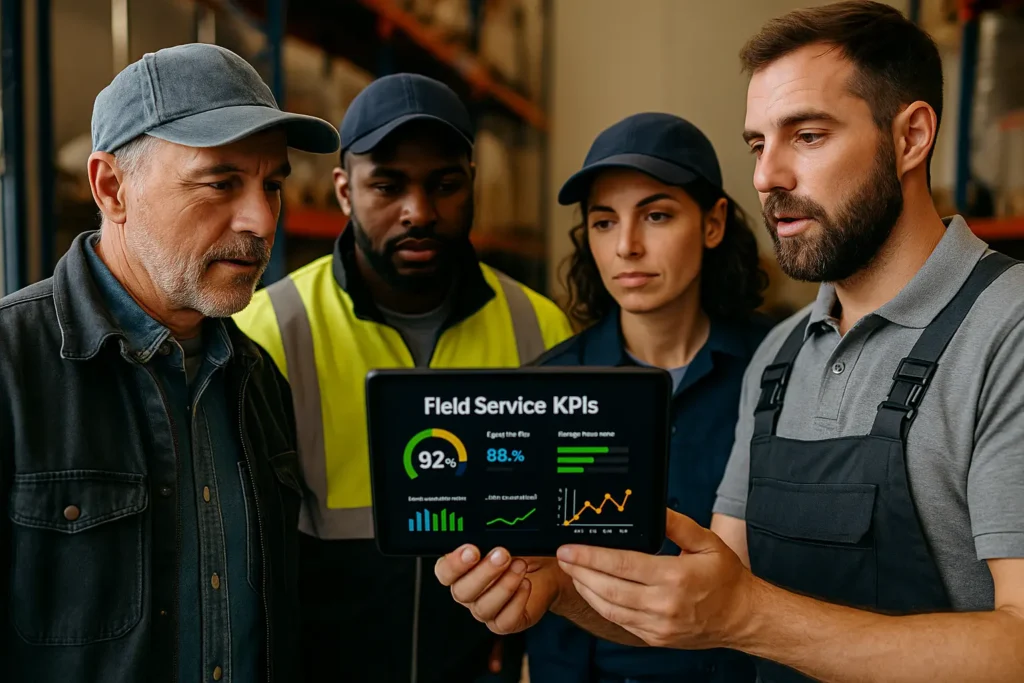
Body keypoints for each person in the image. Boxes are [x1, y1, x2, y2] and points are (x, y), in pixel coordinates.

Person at [432, 2, 1024, 682]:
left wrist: (750, 616)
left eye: (806, 135)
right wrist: (560, 595)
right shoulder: (779, 358)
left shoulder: (1007, 329)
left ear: (912, 136)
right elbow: (703, 604)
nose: (767, 177)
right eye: (757, 144)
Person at [0, 43, 339, 683]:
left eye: (272, 186)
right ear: (111, 187)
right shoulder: (13, 368)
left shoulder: (256, 379)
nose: (262, 221)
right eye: (220, 183)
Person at [233, 72, 574, 683]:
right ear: (343, 190)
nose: (419, 211)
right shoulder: (271, 331)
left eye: (444, 184)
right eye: (387, 186)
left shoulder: (541, 329)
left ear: (472, 186)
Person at [524, 112, 768, 683]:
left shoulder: (780, 369)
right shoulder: (549, 387)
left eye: (656, 216)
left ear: (713, 224)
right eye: (604, 223)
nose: (627, 247)